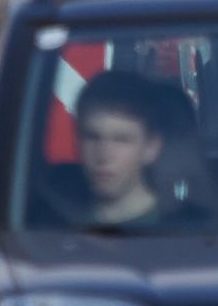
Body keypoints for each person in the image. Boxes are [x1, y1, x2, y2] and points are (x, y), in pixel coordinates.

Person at [43, 71, 201, 229]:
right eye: (92, 137)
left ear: (151, 148)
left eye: (121, 140)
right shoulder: (47, 218)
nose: (104, 155)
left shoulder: (183, 229)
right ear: (77, 142)